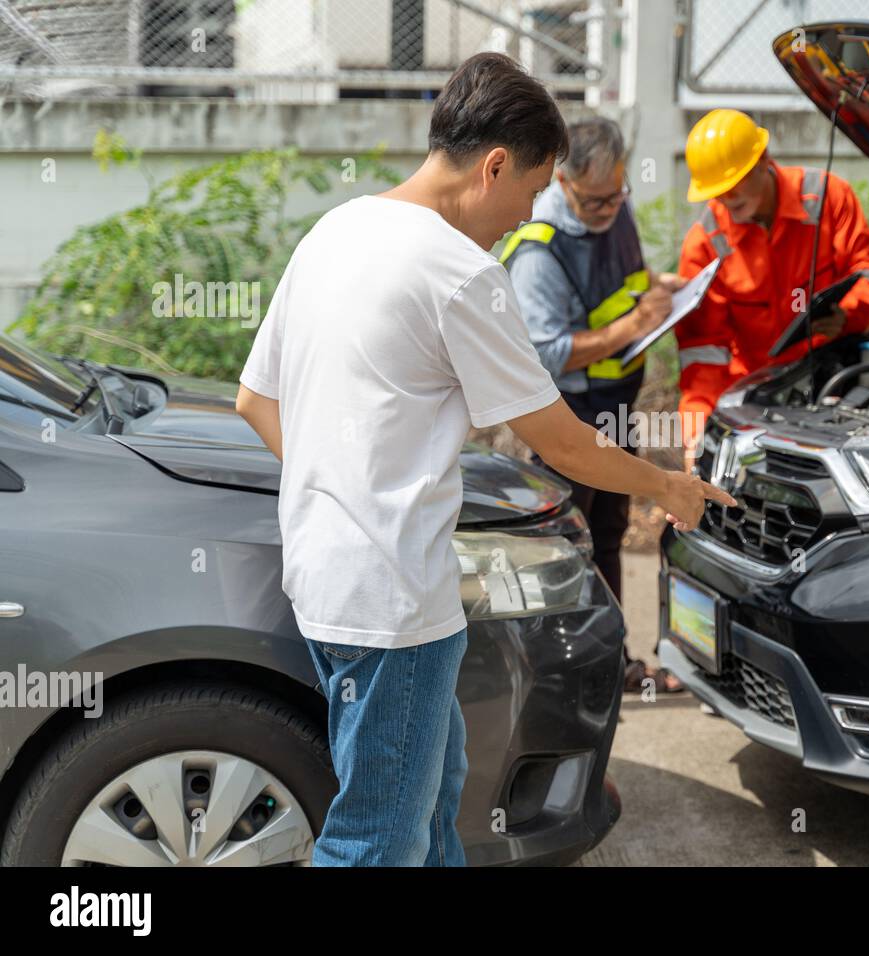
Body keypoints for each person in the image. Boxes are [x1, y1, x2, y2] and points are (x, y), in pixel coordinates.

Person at [235, 52, 735, 867]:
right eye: (533, 191)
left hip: (325, 577)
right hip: (392, 601)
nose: (525, 216)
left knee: (435, 798)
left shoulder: (334, 230)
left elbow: (255, 402)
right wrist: (668, 486)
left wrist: (337, 492)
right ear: (495, 165)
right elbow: (565, 441)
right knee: (374, 842)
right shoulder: (460, 272)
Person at [501, 116, 687, 694]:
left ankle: (615, 662)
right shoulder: (540, 249)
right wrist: (634, 324)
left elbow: (623, 287)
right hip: (569, 421)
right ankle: (557, 672)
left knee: (609, 532)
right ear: (562, 179)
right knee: (564, 542)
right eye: (595, 200)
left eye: (617, 195)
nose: (609, 209)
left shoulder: (616, 211)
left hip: (616, 406)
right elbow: (549, 354)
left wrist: (664, 290)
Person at [674, 108, 869, 465]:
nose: (727, 199)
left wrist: (849, 315)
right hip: (758, 394)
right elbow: (703, 354)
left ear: (764, 160)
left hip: (833, 374)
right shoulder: (704, 244)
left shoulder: (828, 197)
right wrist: (696, 434)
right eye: (718, 191)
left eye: (736, 184)